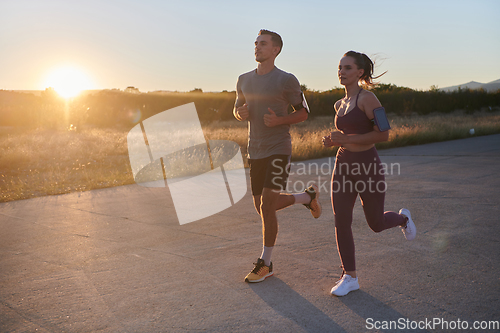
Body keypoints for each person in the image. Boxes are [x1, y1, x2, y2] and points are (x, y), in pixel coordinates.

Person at [322, 51, 416, 296]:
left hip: (367, 166)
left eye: (348, 68)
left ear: (360, 72)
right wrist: (334, 142)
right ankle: (350, 276)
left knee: (375, 223)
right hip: (343, 165)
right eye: (340, 67)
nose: (341, 72)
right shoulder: (338, 104)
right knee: (341, 219)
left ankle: (402, 219)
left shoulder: (368, 99)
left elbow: (383, 134)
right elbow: (345, 138)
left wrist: (347, 138)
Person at [234, 29, 322, 283]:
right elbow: (237, 108)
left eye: (263, 44)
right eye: (256, 43)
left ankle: (266, 263)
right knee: (261, 207)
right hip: (255, 149)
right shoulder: (243, 79)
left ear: (276, 50)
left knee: (266, 205)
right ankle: (307, 197)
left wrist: (279, 121)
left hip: (278, 148)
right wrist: (240, 113)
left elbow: (303, 112)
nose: (257, 47)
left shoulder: (287, 80)